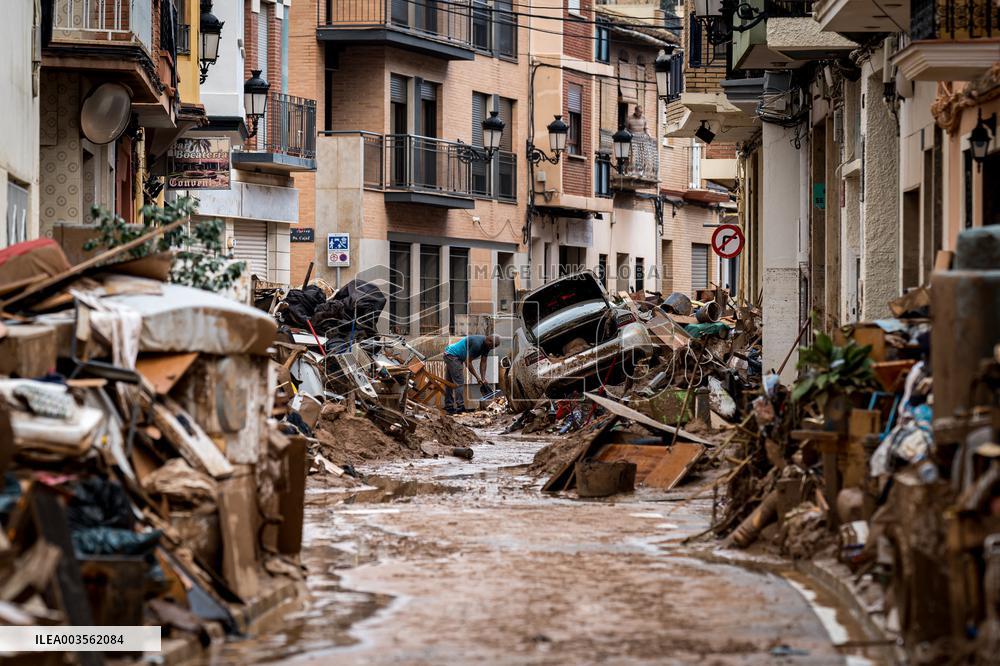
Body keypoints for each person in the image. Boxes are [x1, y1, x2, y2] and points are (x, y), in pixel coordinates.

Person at [442, 334, 500, 414]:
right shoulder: (477, 344)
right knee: (459, 382)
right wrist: (477, 377)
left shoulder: (487, 346)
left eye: (493, 347)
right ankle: (460, 407)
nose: (491, 348)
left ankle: (449, 407)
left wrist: (483, 378)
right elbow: (468, 362)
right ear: (488, 341)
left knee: (449, 383)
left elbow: (483, 362)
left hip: (452, 355)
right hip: (453, 356)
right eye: (491, 346)